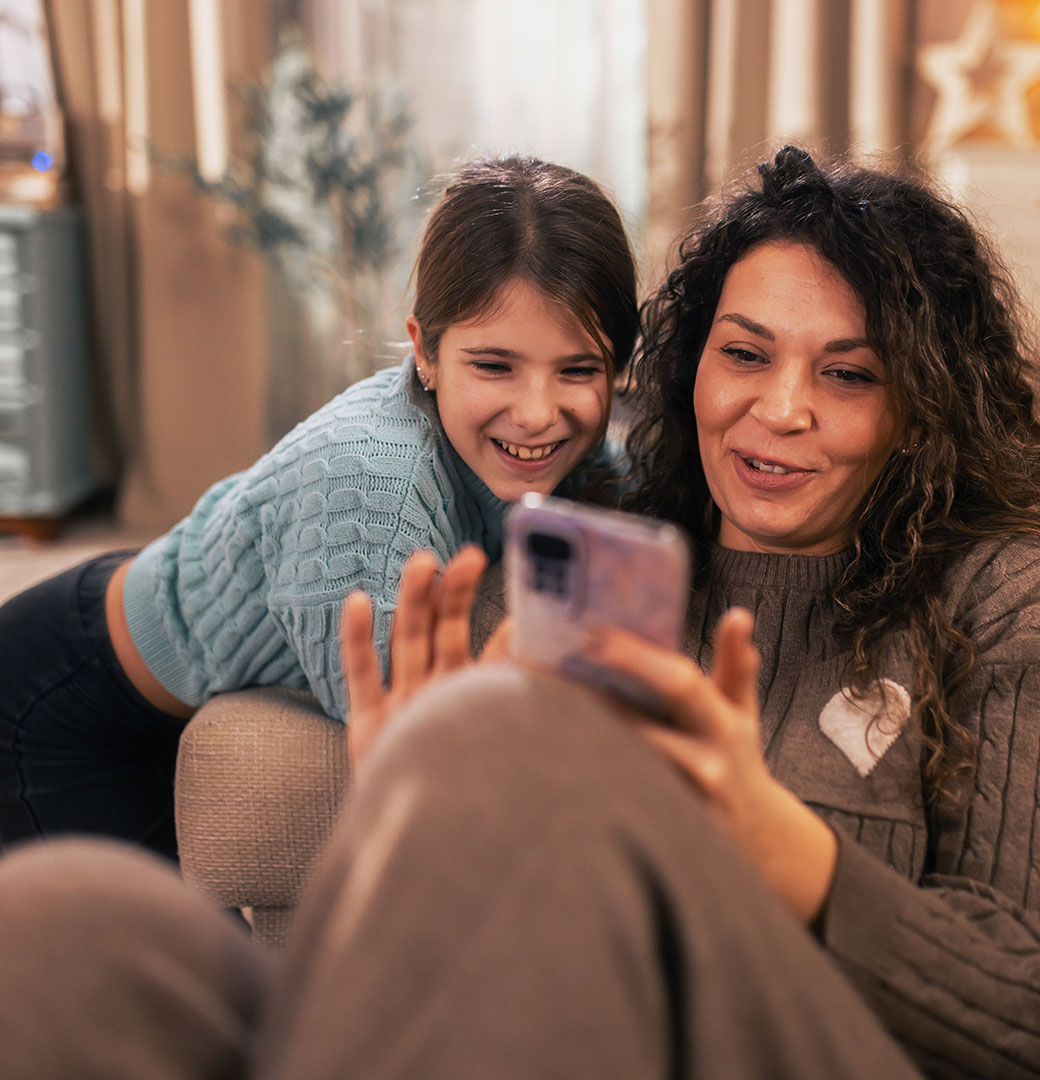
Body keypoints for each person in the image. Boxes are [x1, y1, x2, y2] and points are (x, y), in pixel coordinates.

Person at [2, 144, 1040, 1080]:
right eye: (744, 354)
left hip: (788, 1041)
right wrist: (407, 810)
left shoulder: (1011, 599)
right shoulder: (606, 557)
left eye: (848, 374)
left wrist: (778, 850)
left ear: (922, 402)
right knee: (67, 935)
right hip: (566, 1021)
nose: (780, 409)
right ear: (690, 370)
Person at [0, 154, 639, 858]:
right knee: (168, 966)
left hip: (155, 597)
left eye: (578, 370)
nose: (539, 414)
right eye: (494, 366)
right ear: (424, 352)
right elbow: (415, 736)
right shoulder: (374, 491)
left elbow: (623, 493)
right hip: (59, 704)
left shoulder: (565, 444)